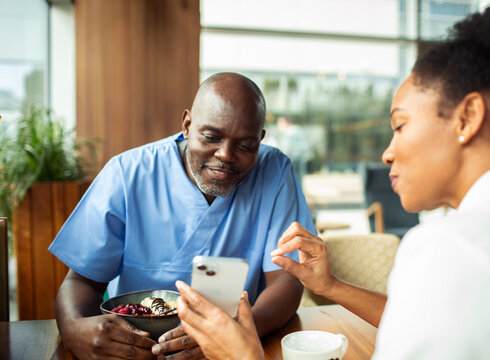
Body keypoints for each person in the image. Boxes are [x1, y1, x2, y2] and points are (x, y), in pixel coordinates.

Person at [172, 3, 490, 359]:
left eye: (400, 125)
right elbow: (427, 320)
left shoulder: (452, 247)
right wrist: (331, 287)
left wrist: (243, 354)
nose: (387, 153)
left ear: (468, 117)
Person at [48, 72, 316, 359]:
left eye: (246, 145)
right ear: (187, 125)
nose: (225, 154)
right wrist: (74, 329)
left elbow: (286, 280)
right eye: (211, 137)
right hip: (135, 350)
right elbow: (81, 281)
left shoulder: (274, 172)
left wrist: (234, 332)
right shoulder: (127, 173)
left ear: (260, 140)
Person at [276, 116, 311, 186]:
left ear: (287, 122)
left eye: (280, 123)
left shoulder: (288, 133)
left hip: (291, 158)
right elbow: (305, 145)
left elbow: (286, 148)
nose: (279, 125)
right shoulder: (299, 130)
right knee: (299, 178)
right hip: (301, 157)